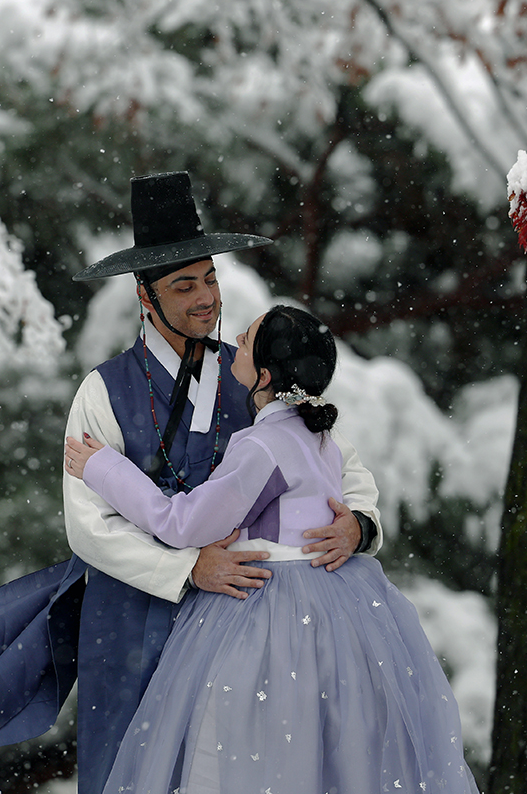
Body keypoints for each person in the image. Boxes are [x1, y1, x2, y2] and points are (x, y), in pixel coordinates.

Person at [64, 305, 480, 794]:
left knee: (240, 748)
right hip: (339, 606)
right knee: (327, 749)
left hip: (269, 606)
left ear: (263, 374)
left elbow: (184, 523)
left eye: (246, 341)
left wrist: (105, 469)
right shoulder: (314, 430)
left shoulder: (263, 446)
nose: (234, 339)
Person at [64, 171, 382, 794]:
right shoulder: (102, 391)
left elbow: (346, 469)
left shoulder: (264, 379)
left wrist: (358, 525)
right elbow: (88, 524)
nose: (206, 298)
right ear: (144, 296)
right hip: (134, 615)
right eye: (184, 286)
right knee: (129, 773)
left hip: (250, 629)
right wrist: (187, 569)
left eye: (210, 278)